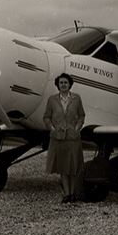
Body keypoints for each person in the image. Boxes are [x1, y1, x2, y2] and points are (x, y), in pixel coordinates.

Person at [43, 73, 86, 203]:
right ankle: (67, 194)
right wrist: (52, 129)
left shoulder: (76, 99)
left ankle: (73, 194)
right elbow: (46, 117)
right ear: (57, 85)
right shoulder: (52, 100)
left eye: (65, 83)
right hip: (58, 138)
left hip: (73, 138)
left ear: (70, 84)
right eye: (61, 83)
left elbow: (81, 116)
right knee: (62, 168)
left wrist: (77, 128)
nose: (63, 85)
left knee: (72, 168)